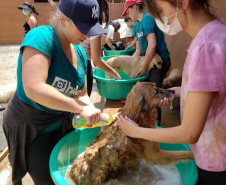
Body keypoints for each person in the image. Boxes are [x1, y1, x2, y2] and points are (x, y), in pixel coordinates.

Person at [118, 0, 226, 184]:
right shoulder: (217, 30)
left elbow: (189, 133)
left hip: (215, 162)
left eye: (158, 11)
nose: (158, 19)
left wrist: (137, 132)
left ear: (182, 2)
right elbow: (214, 92)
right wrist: (175, 92)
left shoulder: (205, 47)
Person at [3, 0, 107, 184]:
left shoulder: (80, 54)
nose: (86, 35)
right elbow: (34, 88)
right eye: (82, 27)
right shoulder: (41, 38)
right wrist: (79, 108)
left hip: (59, 122)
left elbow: (81, 93)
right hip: (31, 125)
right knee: (47, 178)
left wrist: (93, 111)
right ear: (62, 19)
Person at [122, 0, 171, 124]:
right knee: (139, 89)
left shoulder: (147, 18)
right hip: (148, 62)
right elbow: (138, 50)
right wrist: (130, 67)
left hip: (159, 62)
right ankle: (140, 121)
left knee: (153, 94)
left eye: (128, 11)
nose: (127, 15)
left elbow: (152, 45)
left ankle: (156, 123)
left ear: (135, 7)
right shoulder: (137, 24)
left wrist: (143, 68)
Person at [80, 0, 121, 96]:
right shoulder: (94, 26)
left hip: (72, 61)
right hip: (83, 63)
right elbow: (96, 60)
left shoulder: (79, 19)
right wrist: (115, 73)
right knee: (84, 99)